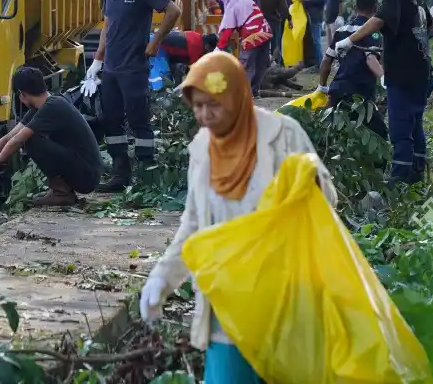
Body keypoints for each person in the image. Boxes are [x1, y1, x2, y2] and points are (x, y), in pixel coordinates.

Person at [138, 52, 338, 383]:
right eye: (197, 106)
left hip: (281, 296)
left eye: (213, 105)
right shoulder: (202, 150)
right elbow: (193, 225)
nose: (205, 115)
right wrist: (163, 278)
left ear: (235, 97)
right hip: (227, 303)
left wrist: (311, 182)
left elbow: (326, 201)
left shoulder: (283, 135)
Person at [83, 0, 181, 192]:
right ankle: (120, 175)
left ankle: (146, 176)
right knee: (111, 121)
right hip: (111, 70)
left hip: (133, 69)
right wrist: (97, 60)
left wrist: (155, 42)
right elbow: (107, 27)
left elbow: (173, 11)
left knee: (139, 121)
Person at [334, 0, 433, 185]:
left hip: (402, 75)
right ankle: (417, 175)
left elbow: (378, 20)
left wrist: (349, 40)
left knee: (400, 129)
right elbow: (429, 28)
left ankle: (399, 180)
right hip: (422, 72)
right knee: (415, 124)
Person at [0, 67, 102, 206]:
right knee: (27, 138)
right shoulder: (42, 106)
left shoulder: (53, 106)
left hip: (87, 176)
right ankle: (60, 189)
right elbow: (8, 137)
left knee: (30, 140)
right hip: (84, 169)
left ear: (22, 94)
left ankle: (62, 193)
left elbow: (16, 141)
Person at [316, 0, 388, 141]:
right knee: (380, 136)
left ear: (355, 7)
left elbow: (326, 60)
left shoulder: (341, 31)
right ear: (376, 8)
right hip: (360, 94)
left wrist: (322, 86)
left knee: (335, 135)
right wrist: (383, 77)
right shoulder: (374, 32)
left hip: (338, 89)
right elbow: (370, 58)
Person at [215, 0, 273, 97]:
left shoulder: (232, 6)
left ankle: (242, 93)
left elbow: (228, 30)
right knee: (260, 65)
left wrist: (219, 48)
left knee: (245, 66)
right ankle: (254, 91)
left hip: (251, 37)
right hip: (265, 32)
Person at [256, 0, 290, 65]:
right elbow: (283, 7)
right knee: (275, 46)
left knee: (261, 46)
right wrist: (289, 18)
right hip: (274, 22)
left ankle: (263, 65)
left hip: (259, 22)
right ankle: (276, 65)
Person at [301, 0, 328, 66]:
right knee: (311, 42)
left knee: (316, 41)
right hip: (307, 18)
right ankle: (313, 64)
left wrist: (306, 0)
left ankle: (321, 64)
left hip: (315, 18)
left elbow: (322, 1)